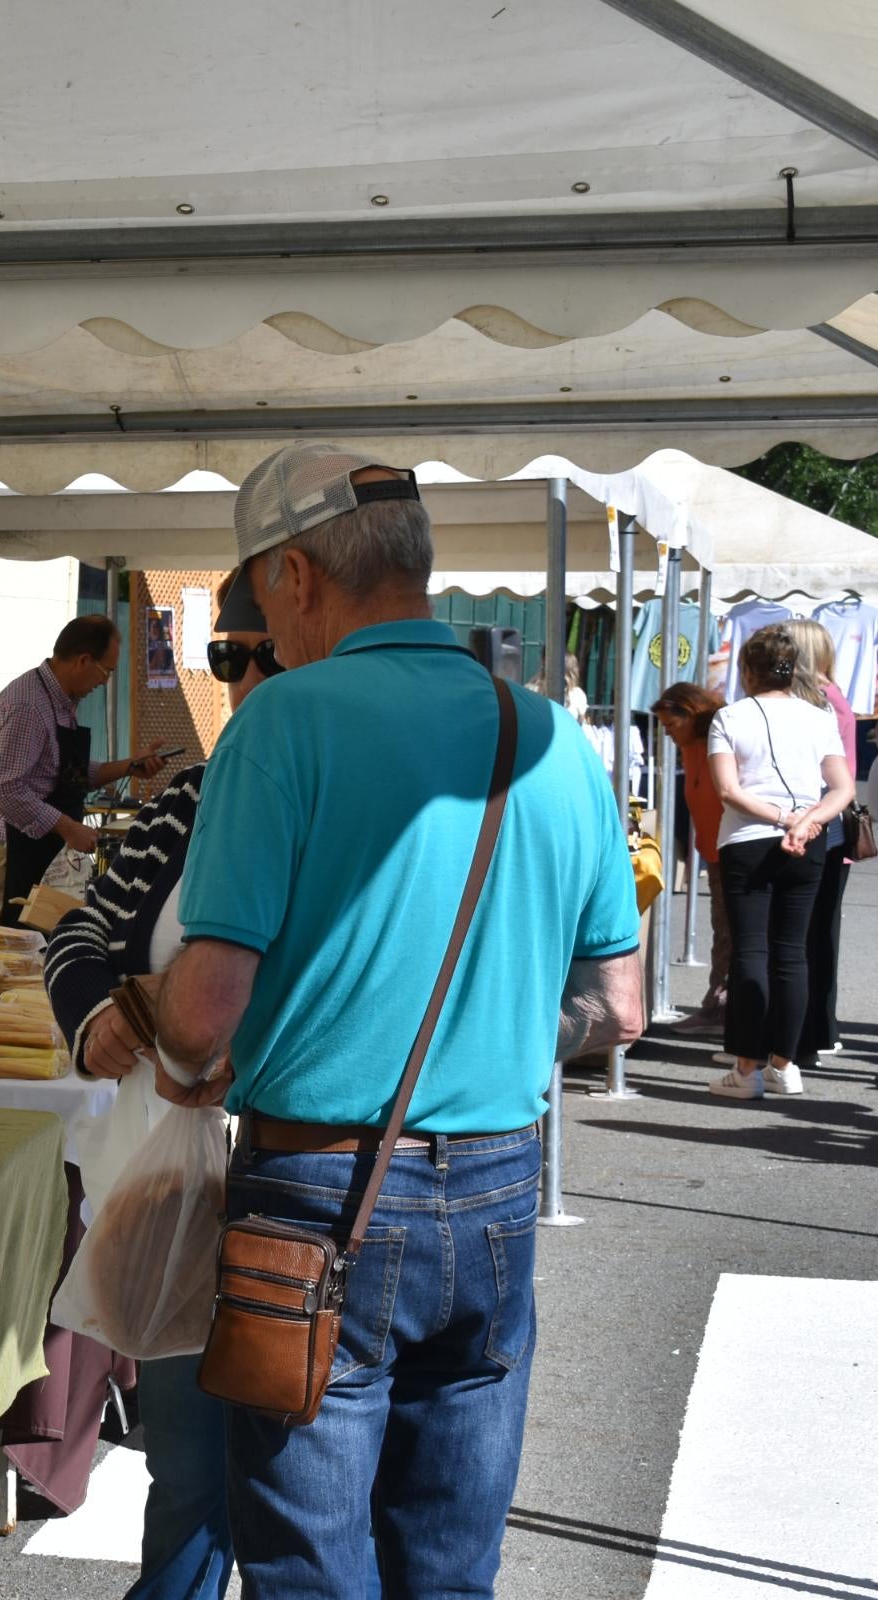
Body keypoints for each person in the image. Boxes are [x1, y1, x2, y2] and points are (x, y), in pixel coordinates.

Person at [150, 442, 643, 1596]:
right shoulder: (551, 736)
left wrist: (155, 1020)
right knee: (449, 1562)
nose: (262, 629)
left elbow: (203, 1017)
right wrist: (508, 1036)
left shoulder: (279, 724)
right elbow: (618, 1007)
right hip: (499, 1183)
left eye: (259, 595)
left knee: (312, 1565)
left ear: (298, 575)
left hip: (317, 1190)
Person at [43, 568, 279, 1600]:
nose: (239, 676)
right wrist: (97, 1012)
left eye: (255, 652)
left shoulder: (358, 809)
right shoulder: (186, 798)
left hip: (307, 1173)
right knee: (185, 1454)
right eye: (224, 657)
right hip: (175, 1181)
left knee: (301, 1474)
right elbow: (82, 931)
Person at [705, 625, 855, 1099]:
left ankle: (746, 1070)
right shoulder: (819, 717)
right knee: (793, 954)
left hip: (748, 840)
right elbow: (842, 788)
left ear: (747, 669)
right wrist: (806, 822)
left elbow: (729, 790)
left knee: (751, 952)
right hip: (808, 843)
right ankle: (785, 1065)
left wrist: (781, 817)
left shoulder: (729, 717)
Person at [0, 615, 170, 922]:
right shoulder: (28, 706)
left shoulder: (59, 702)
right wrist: (68, 827)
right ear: (84, 660)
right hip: (21, 855)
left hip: (49, 853)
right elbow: (3, 789)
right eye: (106, 672)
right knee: (20, 952)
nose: (104, 683)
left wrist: (128, 767)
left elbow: (68, 775)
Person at [781, 618, 854, 1069]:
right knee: (821, 935)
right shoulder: (836, 697)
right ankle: (819, 1029)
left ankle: (803, 1036)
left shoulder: (818, 701)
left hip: (817, 826)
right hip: (834, 829)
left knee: (801, 938)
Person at [652, 682, 730, 1037]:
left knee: (730, 934)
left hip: (731, 852)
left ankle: (720, 1008)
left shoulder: (719, 740)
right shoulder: (692, 746)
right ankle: (718, 1005)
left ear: (690, 714)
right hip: (716, 853)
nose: (666, 733)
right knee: (725, 932)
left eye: (670, 724)